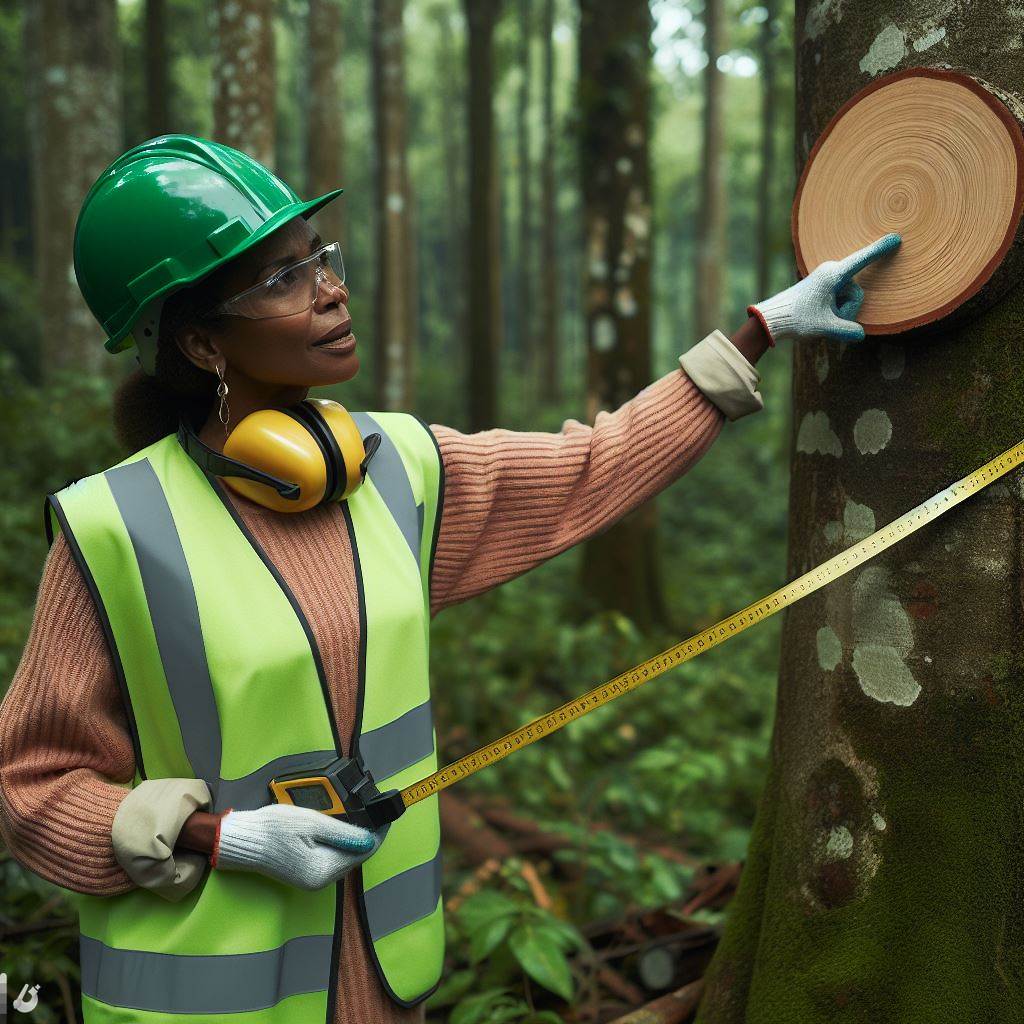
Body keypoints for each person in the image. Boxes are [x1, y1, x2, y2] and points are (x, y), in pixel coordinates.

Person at [0, 133, 900, 1024]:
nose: (332, 290)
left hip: (387, 985)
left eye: (320, 259)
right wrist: (218, 836)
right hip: (214, 1002)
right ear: (203, 344)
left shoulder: (395, 472)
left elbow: (589, 465)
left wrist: (762, 329)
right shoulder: (114, 530)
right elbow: (31, 786)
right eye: (283, 279)